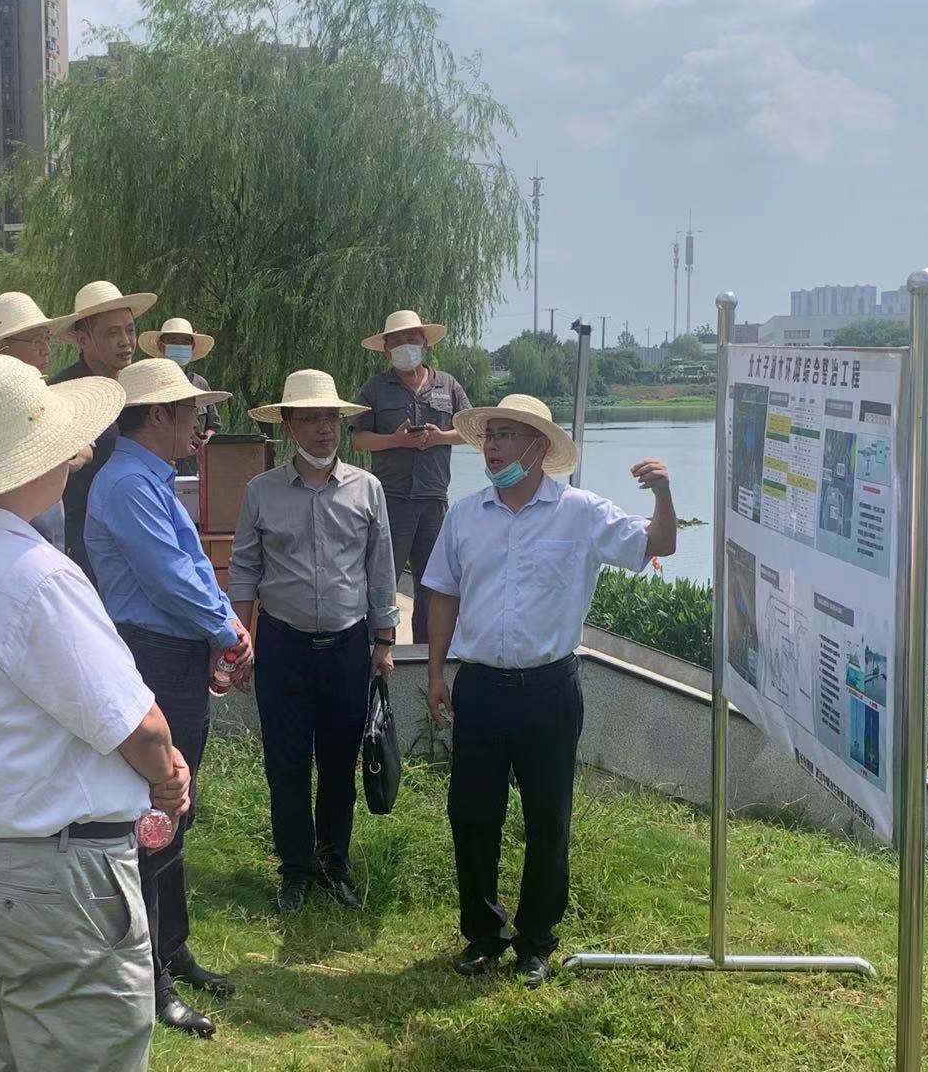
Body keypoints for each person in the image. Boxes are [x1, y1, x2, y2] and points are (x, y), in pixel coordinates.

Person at [0, 355, 190, 1072]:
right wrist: (168, 779)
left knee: (15, 1049)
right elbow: (137, 725)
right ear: (32, 459)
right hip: (55, 874)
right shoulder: (34, 576)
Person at [422, 394, 676, 986]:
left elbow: (659, 545)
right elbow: (443, 594)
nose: (493, 447)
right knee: (472, 815)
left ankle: (536, 940)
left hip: (549, 688)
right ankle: (483, 934)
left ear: (539, 446)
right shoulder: (465, 515)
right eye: (489, 436)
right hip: (480, 686)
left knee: (547, 817)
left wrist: (663, 494)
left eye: (506, 436)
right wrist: (435, 672)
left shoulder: (580, 512)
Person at [84, 357, 250, 1038]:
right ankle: (150, 976)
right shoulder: (129, 483)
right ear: (159, 415)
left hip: (168, 654)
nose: (198, 425)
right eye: (190, 413)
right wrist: (228, 630)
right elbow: (171, 578)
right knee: (157, 812)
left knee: (174, 808)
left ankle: (170, 948)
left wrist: (220, 628)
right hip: (150, 655)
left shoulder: (143, 477)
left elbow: (188, 570)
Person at [232, 369, 399, 911]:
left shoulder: (366, 489)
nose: (324, 428)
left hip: (347, 647)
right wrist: (239, 642)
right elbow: (244, 571)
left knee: (338, 763)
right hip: (283, 645)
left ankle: (334, 864)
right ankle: (295, 871)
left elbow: (381, 570)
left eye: (331, 417)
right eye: (310, 418)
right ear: (288, 425)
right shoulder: (261, 492)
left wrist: (384, 641)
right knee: (285, 764)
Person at [351, 310, 469, 644]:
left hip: (434, 501)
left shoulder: (448, 385)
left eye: (412, 338)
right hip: (391, 500)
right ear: (386, 349)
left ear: (425, 343)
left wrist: (440, 437)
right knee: (383, 580)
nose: (405, 345)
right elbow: (359, 439)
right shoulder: (375, 388)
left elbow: (469, 431)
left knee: (432, 585)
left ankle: (425, 654)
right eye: (397, 341)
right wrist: (396, 440)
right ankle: (379, 650)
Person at [49, 280, 157, 582]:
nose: (126, 341)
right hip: (81, 542)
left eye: (130, 330)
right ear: (83, 340)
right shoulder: (60, 395)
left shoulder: (141, 389)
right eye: (112, 333)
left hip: (138, 531)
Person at [0, 292, 80, 551]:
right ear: (1, 349)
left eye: (47, 339)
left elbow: (83, 448)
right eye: (36, 341)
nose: (46, 349)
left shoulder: (48, 395)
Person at [137, 318, 220, 476]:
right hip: (156, 464)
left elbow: (213, 424)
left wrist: (205, 438)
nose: (180, 346)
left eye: (185, 342)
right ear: (161, 345)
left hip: (193, 466)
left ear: (192, 347)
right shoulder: (148, 384)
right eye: (173, 340)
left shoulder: (200, 384)